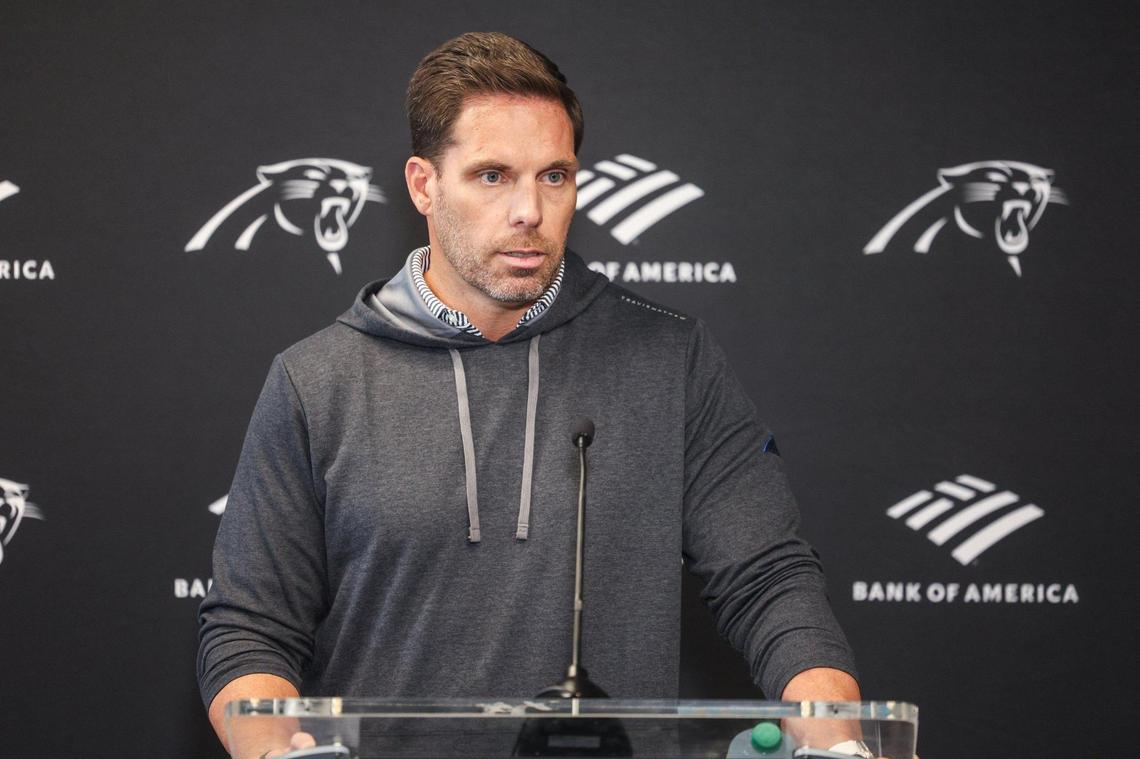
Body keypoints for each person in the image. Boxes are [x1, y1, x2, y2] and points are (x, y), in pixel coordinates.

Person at [198, 31, 866, 758]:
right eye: (493, 176)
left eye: (555, 176)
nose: (529, 211)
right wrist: (276, 751)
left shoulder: (670, 358)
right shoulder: (315, 381)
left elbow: (770, 580)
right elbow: (248, 633)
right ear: (424, 185)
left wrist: (840, 744)